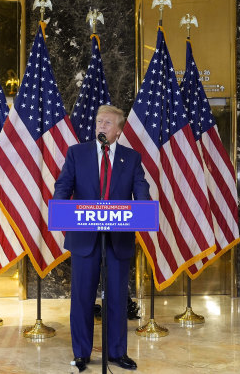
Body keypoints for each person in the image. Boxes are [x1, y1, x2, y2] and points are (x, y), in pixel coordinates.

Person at [53, 105, 150, 372]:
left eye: (107, 123)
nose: (101, 127)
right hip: (84, 239)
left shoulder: (131, 158)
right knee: (82, 298)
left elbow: (140, 188)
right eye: (99, 122)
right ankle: (82, 353)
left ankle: (117, 353)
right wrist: (60, 206)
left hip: (117, 241)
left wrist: (143, 207)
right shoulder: (77, 153)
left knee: (117, 299)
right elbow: (63, 185)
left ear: (119, 131)